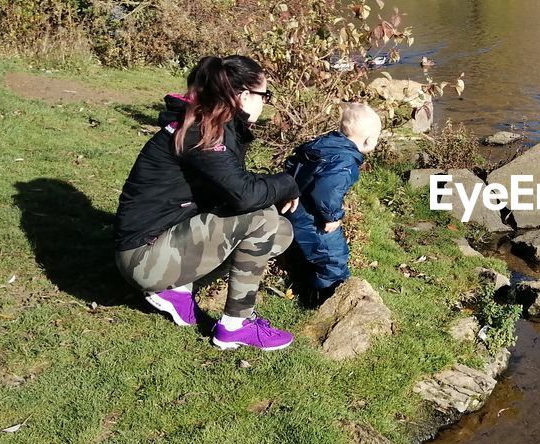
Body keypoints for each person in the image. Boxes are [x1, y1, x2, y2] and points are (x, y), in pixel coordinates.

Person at [114, 55, 301, 351]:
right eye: (264, 95)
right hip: (143, 258)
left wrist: (276, 187)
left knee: (280, 231)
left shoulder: (210, 122)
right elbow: (244, 195)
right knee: (262, 217)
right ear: (241, 96)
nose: (265, 102)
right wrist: (288, 183)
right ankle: (236, 325)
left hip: (159, 240)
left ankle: (177, 288)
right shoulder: (204, 132)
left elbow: (233, 184)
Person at [284, 102, 382, 306]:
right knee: (333, 257)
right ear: (369, 140)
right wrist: (332, 216)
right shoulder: (344, 160)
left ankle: (304, 283)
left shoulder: (326, 145)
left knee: (309, 254)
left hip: (296, 208)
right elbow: (326, 191)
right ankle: (324, 299)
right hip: (313, 217)